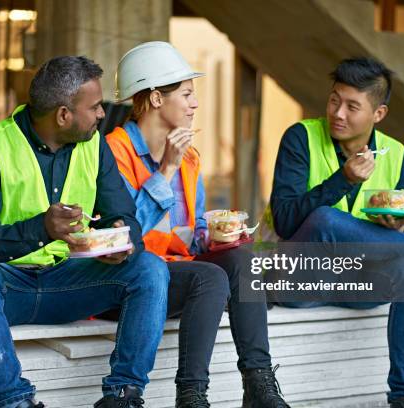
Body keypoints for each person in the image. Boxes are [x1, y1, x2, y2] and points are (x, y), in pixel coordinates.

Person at [0, 56, 170, 408]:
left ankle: (123, 396)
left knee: (150, 268)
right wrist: (41, 229)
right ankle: (14, 401)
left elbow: (122, 214)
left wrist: (122, 238)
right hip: (4, 288)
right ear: (63, 115)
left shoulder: (94, 145)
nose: (101, 114)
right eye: (93, 107)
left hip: (67, 283)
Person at [265, 57, 404, 408]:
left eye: (352, 106)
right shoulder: (300, 138)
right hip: (300, 278)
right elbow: (285, 221)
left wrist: (398, 227)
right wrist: (344, 180)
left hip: (358, 281)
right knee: (324, 219)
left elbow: (396, 236)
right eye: (334, 100)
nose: (338, 113)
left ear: (378, 114)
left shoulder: (396, 154)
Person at [105, 41, 290, 408]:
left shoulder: (189, 156)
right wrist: (165, 169)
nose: (195, 104)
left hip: (181, 273)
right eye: (187, 94)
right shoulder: (115, 151)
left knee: (244, 260)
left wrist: (221, 235)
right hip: (133, 281)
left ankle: (259, 385)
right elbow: (125, 236)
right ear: (156, 98)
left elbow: (195, 237)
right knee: (211, 278)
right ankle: (191, 395)